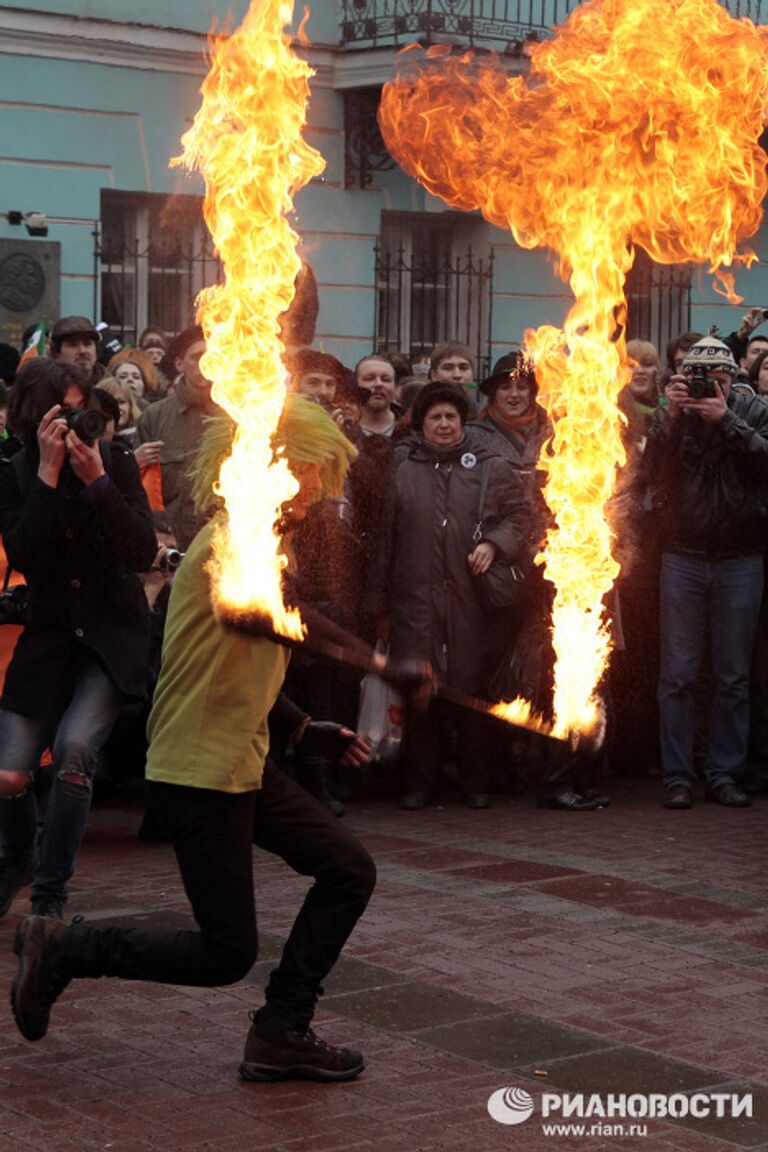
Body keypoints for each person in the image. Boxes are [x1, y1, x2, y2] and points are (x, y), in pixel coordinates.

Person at [9, 394, 431, 1083]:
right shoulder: (233, 542)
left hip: (242, 763)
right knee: (224, 952)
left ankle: (282, 1028)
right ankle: (65, 946)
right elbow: (264, 618)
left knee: (349, 871)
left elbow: (234, 658)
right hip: (198, 771)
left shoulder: (261, 546)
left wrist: (300, 725)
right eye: (313, 469)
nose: (322, 487)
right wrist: (379, 662)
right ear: (277, 467)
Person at [0, 357, 156, 920]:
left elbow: (141, 550)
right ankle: (17, 858)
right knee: (10, 772)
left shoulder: (113, 460)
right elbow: (26, 557)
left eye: (81, 409)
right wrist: (45, 473)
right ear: (34, 417)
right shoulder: (16, 472)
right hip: (51, 636)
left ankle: (49, 893)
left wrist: (96, 483)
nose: (76, 421)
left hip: (110, 635)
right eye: (63, 411)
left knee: (73, 753)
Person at [376, 380, 528, 809]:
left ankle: (475, 782)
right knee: (420, 692)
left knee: (470, 692)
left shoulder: (489, 466)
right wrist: (381, 607)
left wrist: (494, 543)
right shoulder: (402, 467)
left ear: (463, 422)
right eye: (435, 417)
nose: (443, 424)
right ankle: (418, 783)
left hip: (470, 603)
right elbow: (385, 541)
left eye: (451, 417)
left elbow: (520, 517)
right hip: (414, 601)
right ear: (421, 424)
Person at [644, 333, 768, 809]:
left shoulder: (753, 411)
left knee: (733, 675)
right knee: (677, 673)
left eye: (716, 379)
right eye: (697, 378)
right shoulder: (676, 414)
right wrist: (671, 419)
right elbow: (650, 473)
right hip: (683, 555)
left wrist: (728, 421)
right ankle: (678, 776)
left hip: (742, 556)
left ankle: (724, 773)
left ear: (732, 378)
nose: (705, 387)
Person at [136, 325, 221, 549]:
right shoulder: (154, 417)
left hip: (223, 548)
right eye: (196, 357)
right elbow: (139, 492)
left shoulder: (235, 415)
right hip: (172, 547)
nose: (205, 363)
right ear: (179, 364)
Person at [50, 316, 107, 386]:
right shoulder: (45, 389)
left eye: (87, 344)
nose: (82, 351)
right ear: (57, 352)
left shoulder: (113, 389)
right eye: (73, 345)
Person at [355, 355, 401, 437]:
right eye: (369, 378)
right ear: (355, 385)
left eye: (386, 379)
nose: (378, 384)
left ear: (395, 386)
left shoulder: (414, 429)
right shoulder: (339, 429)